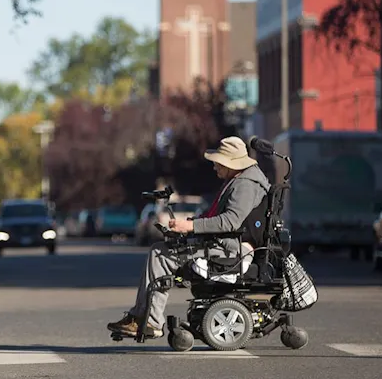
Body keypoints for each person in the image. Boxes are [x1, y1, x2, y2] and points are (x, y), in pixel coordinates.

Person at [106, 136, 270, 338]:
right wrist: (192, 224)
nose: (214, 167)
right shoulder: (240, 180)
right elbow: (223, 218)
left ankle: (149, 320)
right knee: (163, 248)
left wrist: (191, 225)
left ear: (230, 163)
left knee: (160, 253)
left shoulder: (245, 184)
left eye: (218, 163)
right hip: (225, 242)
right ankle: (141, 315)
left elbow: (230, 221)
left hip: (229, 248)